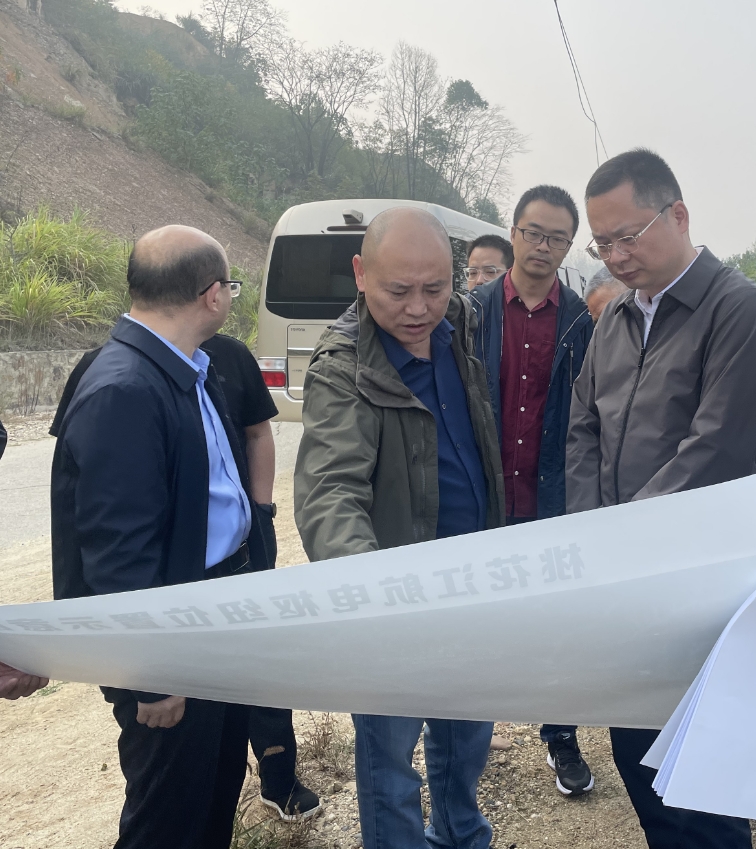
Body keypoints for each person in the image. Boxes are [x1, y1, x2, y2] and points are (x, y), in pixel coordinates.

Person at [569, 148, 756, 849]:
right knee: (640, 762)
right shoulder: (615, 318)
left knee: (697, 785)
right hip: (625, 580)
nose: (615, 257)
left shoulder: (738, 310)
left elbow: (717, 448)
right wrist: (588, 533)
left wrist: (625, 542)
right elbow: (583, 427)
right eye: (602, 244)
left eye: (627, 237)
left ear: (679, 214)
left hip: (700, 583)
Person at [50, 225, 275, 849]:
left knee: (213, 794)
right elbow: (118, 551)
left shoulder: (185, 368)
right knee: (168, 819)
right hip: (174, 638)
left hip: (213, 612)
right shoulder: (124, 387)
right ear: (212, 295)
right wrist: (151, 675)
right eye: (229, 288)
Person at [294, 207, 504, 849]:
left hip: (473, 578)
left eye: (434, 288)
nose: (418, 308)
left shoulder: (458, 324)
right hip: (398, 596)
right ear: (361, 274)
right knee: (390, 755)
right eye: (399, 291)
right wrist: (375, 591)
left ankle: (460, 834)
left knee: (467, 729)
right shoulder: (342, 367)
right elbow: (330, 491)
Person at [50, 337, 322, 822]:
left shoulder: (220, 361)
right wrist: (146, 673)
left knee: (237, 721)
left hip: (234, 573)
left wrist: (259, 516)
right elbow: (100, 522)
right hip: (165, 608)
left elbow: (257, 433)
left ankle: (278, 776)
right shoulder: (115, 378)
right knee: (168, 794)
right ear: (208, 297)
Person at [468, 184, 596, 797]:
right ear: (514, 232)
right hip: (484, 494)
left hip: (551, 496)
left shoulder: (581, 321)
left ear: (568, 246)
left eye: (557, 238)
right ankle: (468, 733)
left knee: (557, 625)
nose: (543, 246)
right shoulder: (472, 311)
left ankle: (560, 734)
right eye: (534, 233)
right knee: (477, 618)